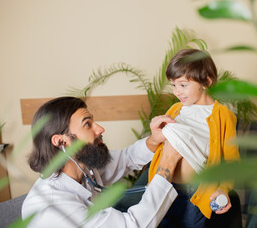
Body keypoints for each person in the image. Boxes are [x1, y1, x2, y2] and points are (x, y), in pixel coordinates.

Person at [22, 96, 182, 228]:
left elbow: (127, 158)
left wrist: (154, 140)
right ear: (61, 142)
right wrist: (167, 164)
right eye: (87, 124)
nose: (100, 129)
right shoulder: (54, 207)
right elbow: (132, 226)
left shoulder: (82, 168)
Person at [147, 49, 240, 227]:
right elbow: (160, 147)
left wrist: (224, 188)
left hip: (197, 193)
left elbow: (231, 160)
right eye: (173, 85)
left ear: (206, 82)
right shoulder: (174, 110)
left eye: (183, 85)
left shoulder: (222, 115)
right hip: (165, 188)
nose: (176, 91)